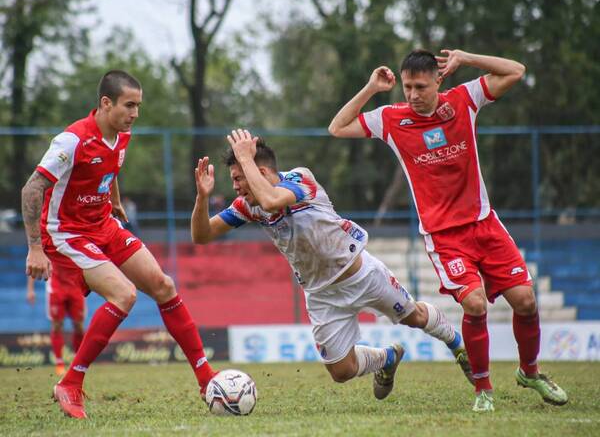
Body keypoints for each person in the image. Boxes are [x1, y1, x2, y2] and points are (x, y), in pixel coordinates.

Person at [328, 49, 568, 411]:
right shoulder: (392, 119)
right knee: (474, 303)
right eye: (407, 87)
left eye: (420, 86)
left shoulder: (463, 99)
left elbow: (516, 71)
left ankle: (530, 372)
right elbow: (337, 127)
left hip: (484, 223)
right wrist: (371, 88)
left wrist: (466, 58)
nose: (412, 94)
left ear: (439, 81)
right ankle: (483, 390)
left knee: (526, 300)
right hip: (444, 236)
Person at [191, 129, 474, 401]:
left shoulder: (300, 179)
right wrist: (203, 197)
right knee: (342, 371)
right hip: (320, 294)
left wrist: (246, 160)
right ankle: (387, 358)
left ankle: (458, 345)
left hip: (360, 275)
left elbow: (272, 200)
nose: (236, 187)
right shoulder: (246, 205)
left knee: (416, 318)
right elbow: (201, 236)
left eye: (238, 178)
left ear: (261, 172)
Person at [21, 70, 216, 419]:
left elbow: (109, 170)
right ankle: (70, 383)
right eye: (130, 105)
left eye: (138, 106)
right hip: (67, 233)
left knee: (163, 285)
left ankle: (206, 379)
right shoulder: (72, 140)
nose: (135, 114)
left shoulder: (122, 135)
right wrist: (35, 247)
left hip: (104, 224)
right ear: (106, 103)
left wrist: (115, 200)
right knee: (123, 294)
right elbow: (32, 189)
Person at [26, 265, 86, 376]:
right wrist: (30, 289)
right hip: (56, 289)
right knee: (57, 325)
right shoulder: (48, 247)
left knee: (78, 326)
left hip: (76, 287)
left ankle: (78, 363)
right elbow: (35, 262)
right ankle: (59, 364)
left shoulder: (77, 247)